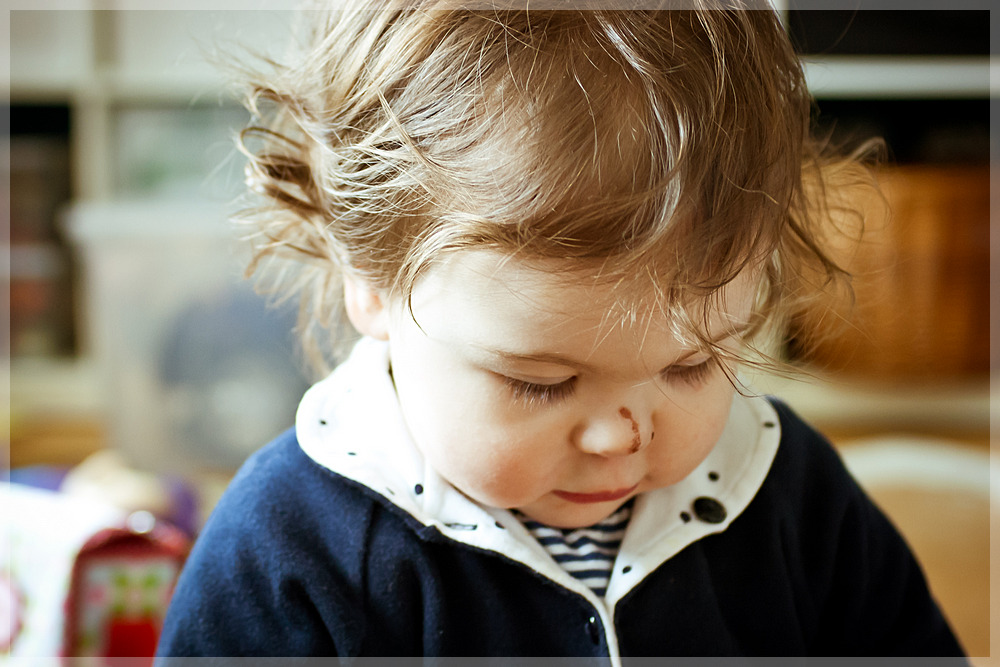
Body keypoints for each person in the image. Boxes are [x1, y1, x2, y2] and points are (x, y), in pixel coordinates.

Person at [157, 0, 966, 659]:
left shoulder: (790, 491)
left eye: (692, 364)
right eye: (540, 381)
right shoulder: (288, 551)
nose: (619, 435)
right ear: (370, 282)